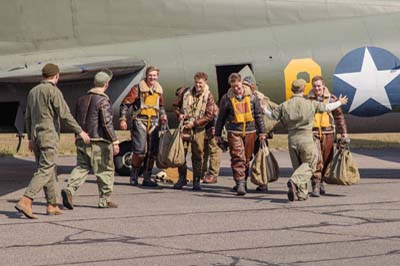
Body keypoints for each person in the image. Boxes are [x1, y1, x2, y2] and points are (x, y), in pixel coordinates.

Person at [15, 63, 90, 219]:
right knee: (45, 169)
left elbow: (27, 117)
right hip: (48, 136)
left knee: (49, 170)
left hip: (36, 137)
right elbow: (64, 115)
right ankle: (26, 199)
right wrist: (79, 131)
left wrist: (29, 138)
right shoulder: (53, 91)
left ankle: (52, 204)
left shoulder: (33, 91)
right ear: (56, 76)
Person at [264, 79, 348, 201]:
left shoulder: (285, 105)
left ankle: (302, 194)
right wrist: (340, 102)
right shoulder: (310, 103)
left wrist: (263, 109)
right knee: (310, 164)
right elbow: (327, 107)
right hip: (307, 138)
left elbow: (271, 116)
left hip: (292, 139)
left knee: (298, 167)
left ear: (292, 90)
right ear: (303, 90)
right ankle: (294, 181)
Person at [61, 70, 120, 209]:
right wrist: (115, 141)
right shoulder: (103, 101)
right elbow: (106, 123)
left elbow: (76, 120)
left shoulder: (81, 99)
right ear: (106, 84)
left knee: (81, 167)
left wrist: (77, 136)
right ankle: (104, 200)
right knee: (105, 170)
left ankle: (69, 189)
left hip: (83, 140)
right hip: (99, 142)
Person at [215, 73, 266, 196]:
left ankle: (243, 181)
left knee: (247, 158)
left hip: (250, 131)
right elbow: (221, 118)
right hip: (234, 131)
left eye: (237, 86)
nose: (236, 89)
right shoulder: (227, 98)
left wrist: (262, 132)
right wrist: (217, 134)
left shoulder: (253, 98)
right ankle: (240, 183)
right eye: (233, 87)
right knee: (238, 157)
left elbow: (258, 115)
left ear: (241, 83)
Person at [120, 66, 167, 187]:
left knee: (152, 152)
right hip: (140, 121)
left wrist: (163, 115)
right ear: (146, 75)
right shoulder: (137, 89)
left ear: (157, 76)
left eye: (154, 75)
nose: (152, 77)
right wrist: (123, 119)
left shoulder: (159, 90)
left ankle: (147, 177)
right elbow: (125, 104)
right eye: (150, 75)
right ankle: (134, 174)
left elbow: (161, 106)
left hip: (154, 123)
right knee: (140, 151)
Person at [307, 75, 349, 197]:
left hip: (328, 133)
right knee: (316, 160)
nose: (317, 88)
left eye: (319, 86)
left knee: (327, 159)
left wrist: (344, 133)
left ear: (323, 86)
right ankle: (315, 184)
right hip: (313, 134)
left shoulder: (331, 99)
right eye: (314, 86)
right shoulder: (308, 99)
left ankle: (320, 182)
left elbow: (339, 117)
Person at [173, 72, 216, 190]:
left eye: (200, 83)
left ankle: (196, 181)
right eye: (196, 82)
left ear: (205, 82)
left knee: (198, 155)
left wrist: (195, 123)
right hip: (185, 127)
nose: (198, 85)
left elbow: (209, 115)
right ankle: (182, 178)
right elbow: (175, 106)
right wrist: (179, 115)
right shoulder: (185, 93)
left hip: (199, 130)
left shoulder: (209, 96)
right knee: (181, 154)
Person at [242, 76, 278, 192]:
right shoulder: (240, 98)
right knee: (244, 159)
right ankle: (242, 183)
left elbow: (276, 112)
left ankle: (263, 183)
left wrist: (265, 131)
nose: (244, 87)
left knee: (261, 158)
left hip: (259, 135)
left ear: (252, 87)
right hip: (246, 133)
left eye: (246, 85)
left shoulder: (261, 99)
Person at [201, 102, 221, 184]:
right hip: (202, 127)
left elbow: (216, 113)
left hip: (211, 127)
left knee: (214, 150)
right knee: (201, 150)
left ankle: (213, 175)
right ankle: (201, 173)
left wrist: (215, 127)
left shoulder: (209, 100)